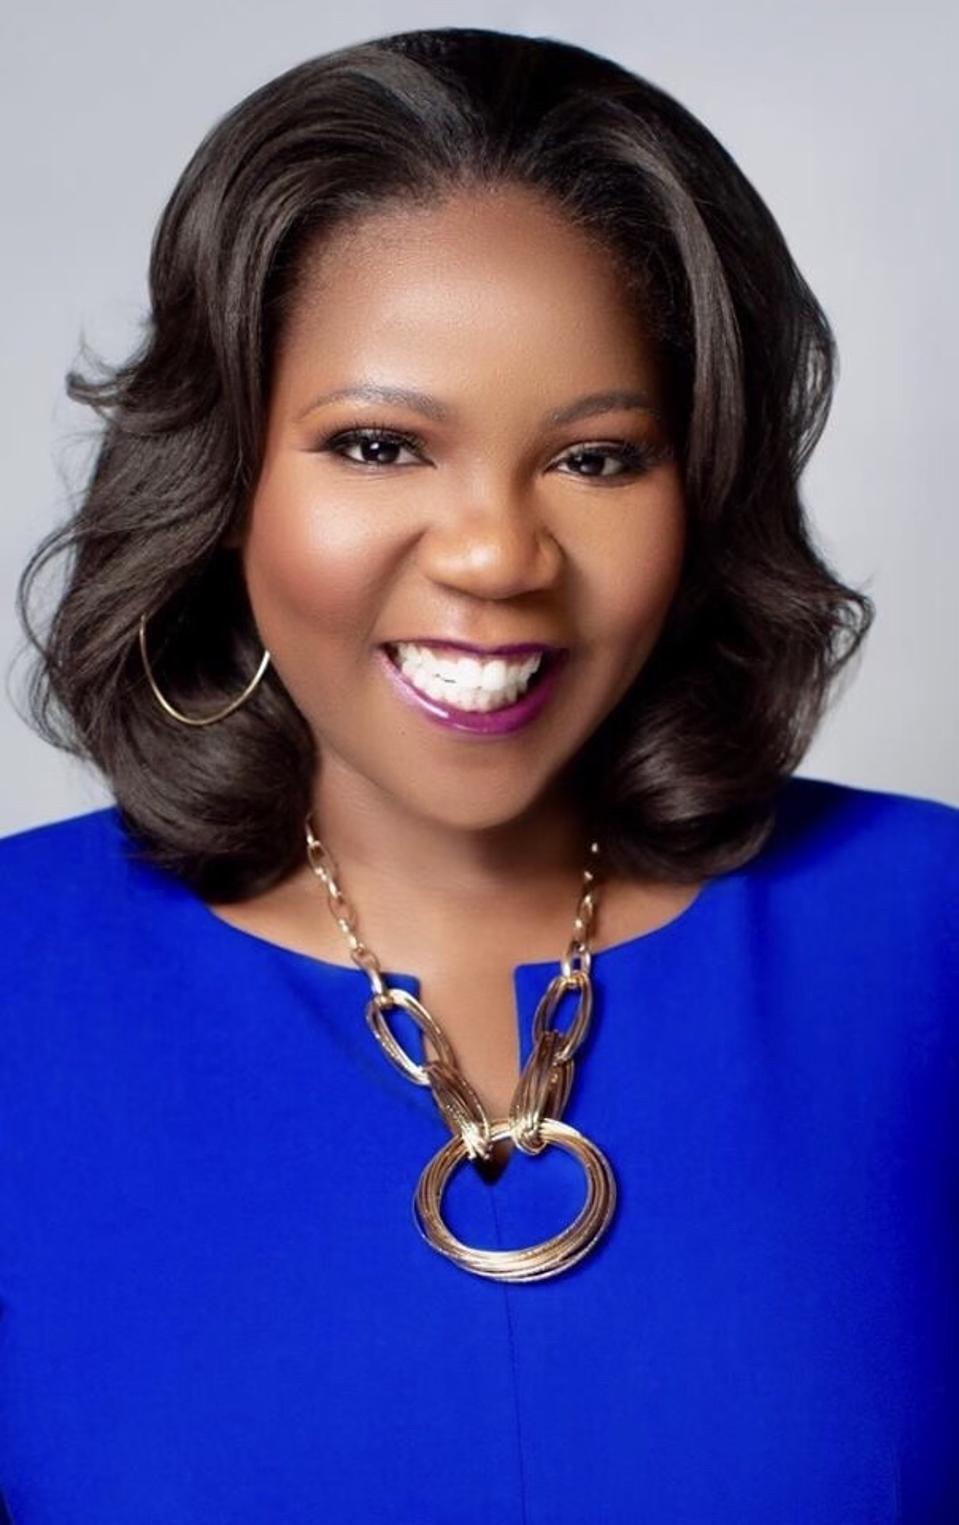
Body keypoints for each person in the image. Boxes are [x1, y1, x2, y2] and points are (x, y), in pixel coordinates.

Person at [1, 24, 956, 1524]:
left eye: (597, 458)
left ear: (700, 491)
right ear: (225, 477)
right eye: (381, 446)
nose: (499, 555)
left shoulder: (927, 936)